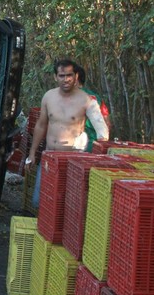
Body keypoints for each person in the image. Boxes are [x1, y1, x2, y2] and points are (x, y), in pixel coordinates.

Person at [25, 59, 109, 207]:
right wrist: (32, 153)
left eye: (69, 75)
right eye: (62, 75)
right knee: (40, 202)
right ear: (55, 77)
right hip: (49, 156)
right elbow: (41, 125)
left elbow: (102, 131)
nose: (66, 79)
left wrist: (95, 157)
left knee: (68, 205)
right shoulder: (48, 97)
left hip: (74, 161)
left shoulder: (87, 100)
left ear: (76, 76)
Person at [74, 65, 111, 152]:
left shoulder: (73, 97)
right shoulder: (95, 97)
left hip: (77, 145)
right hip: (95, 144)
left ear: (75, 78)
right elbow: (107, 122)